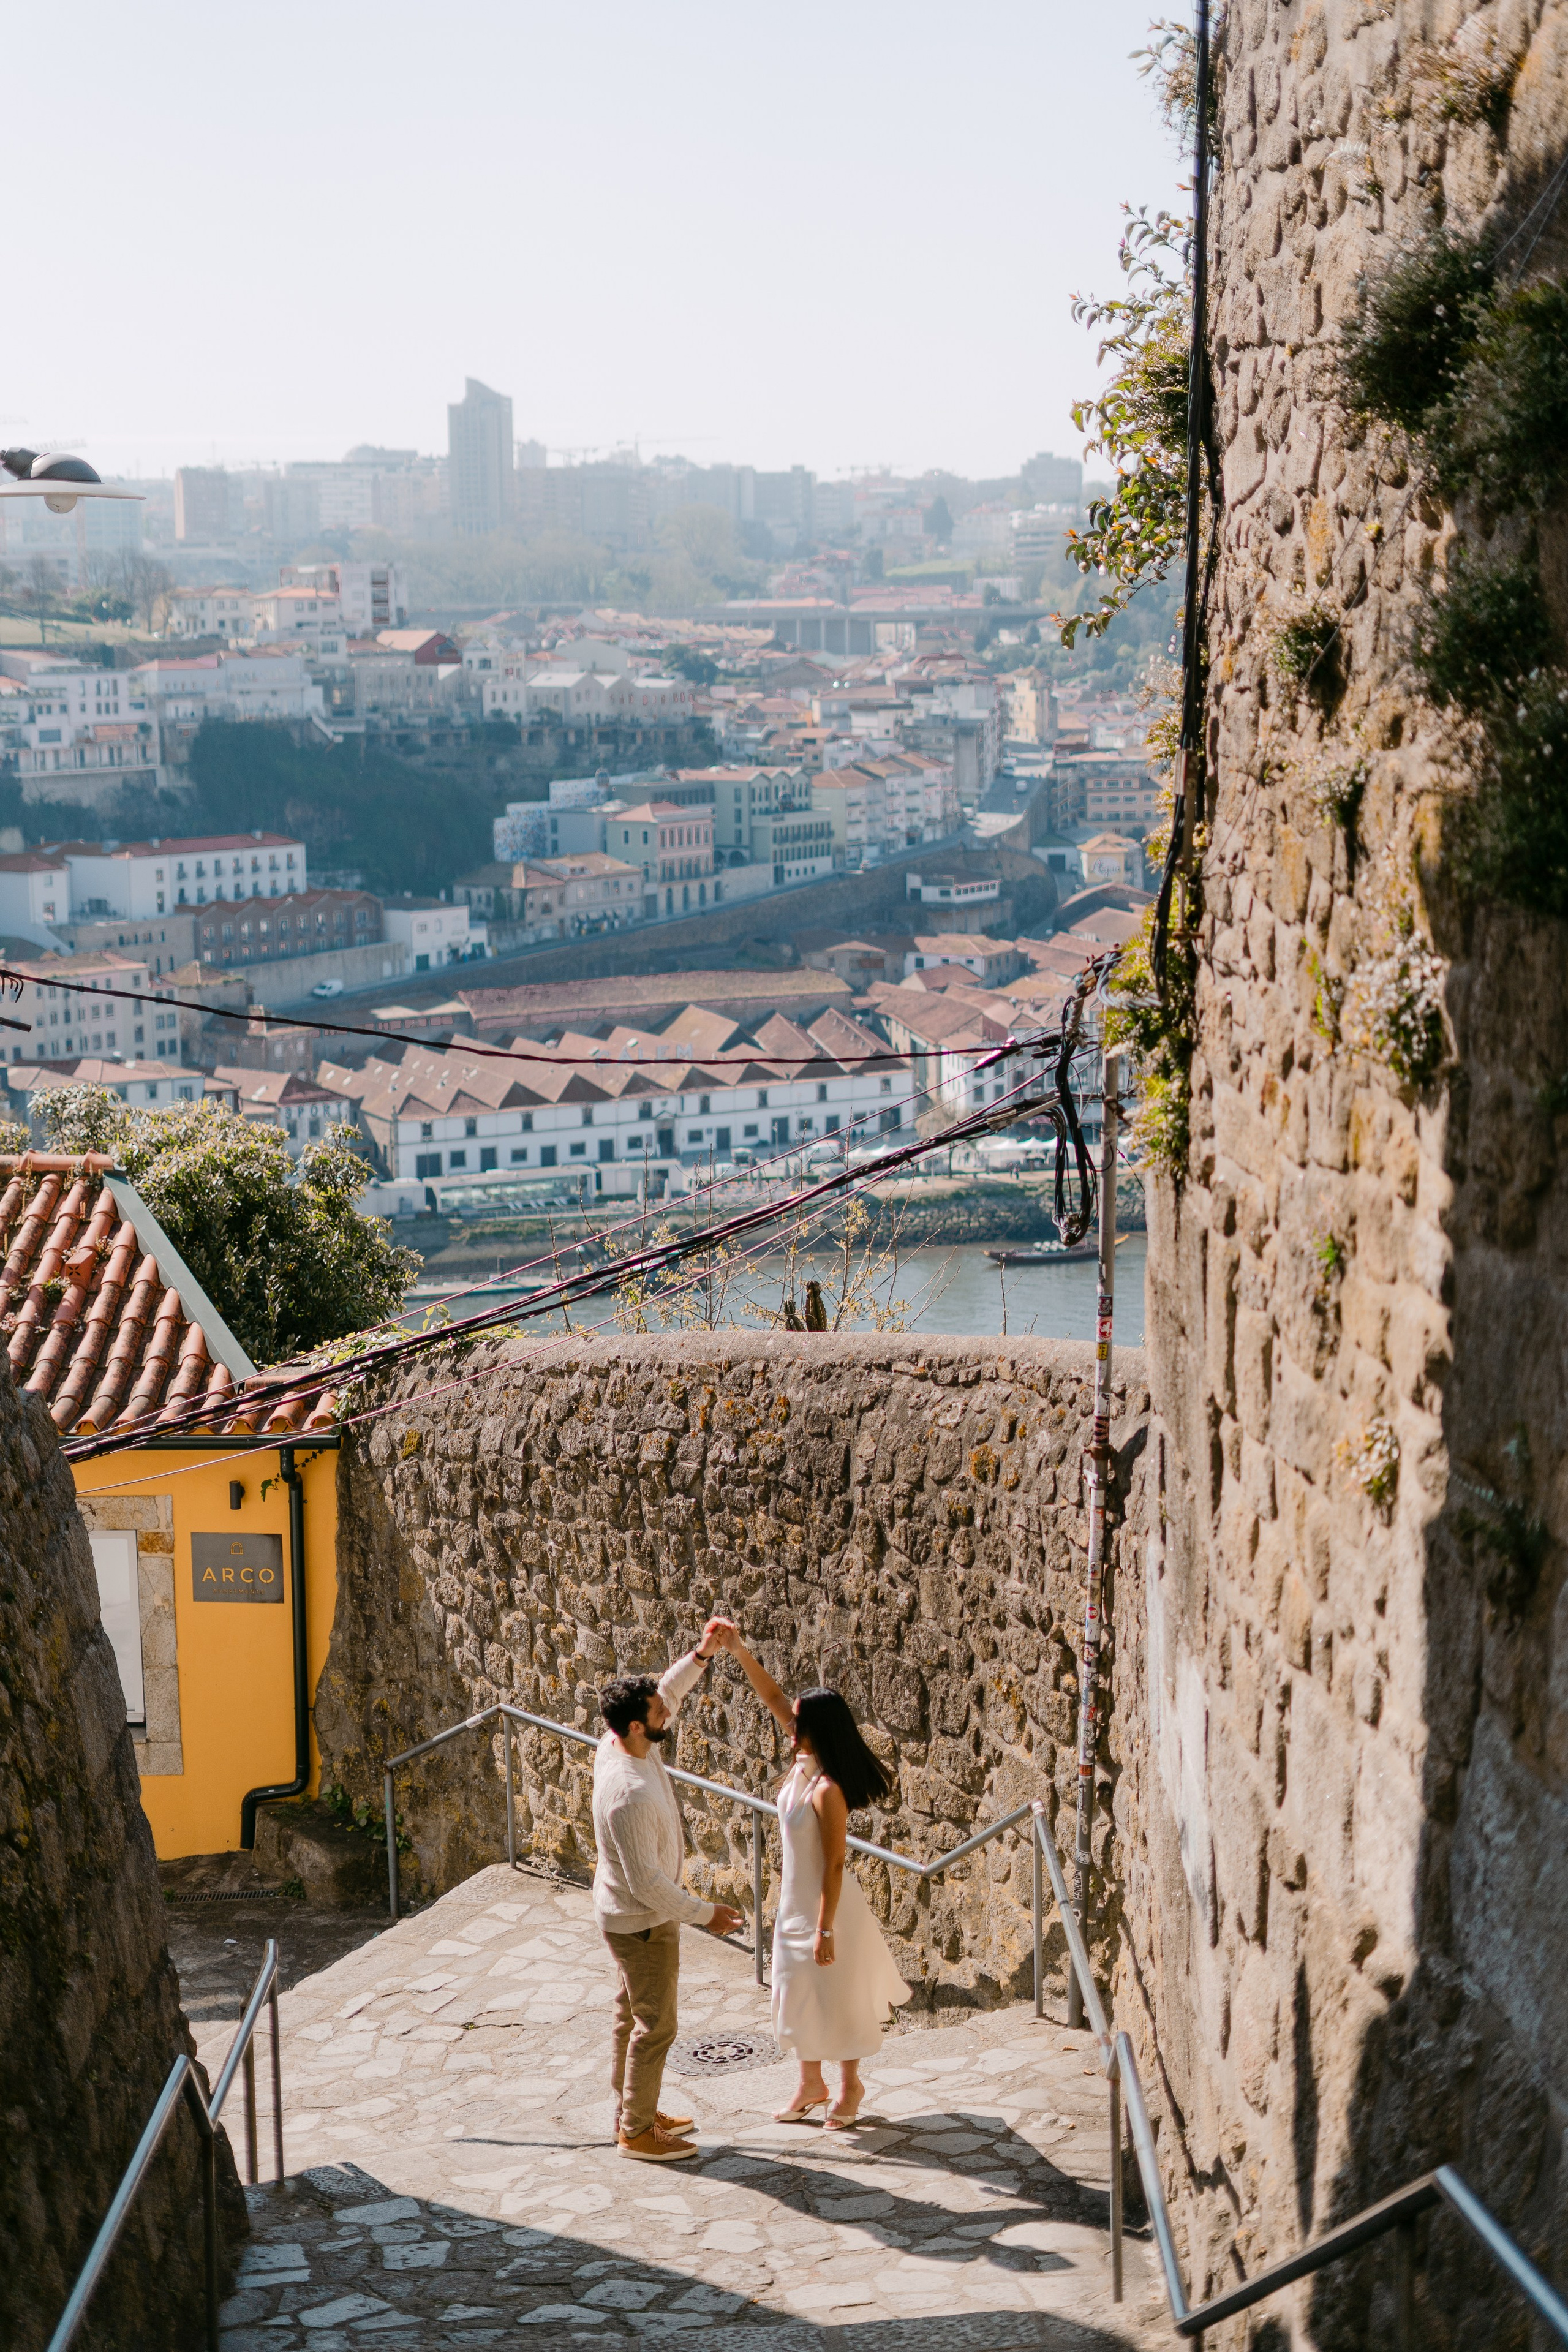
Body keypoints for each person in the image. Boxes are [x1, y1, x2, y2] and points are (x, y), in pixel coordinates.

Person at [701, 1618, 910, 2130]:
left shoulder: (827, 1790)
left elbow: (836, 1862)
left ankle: (850, 2085)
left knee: (836, 1997)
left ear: (818, 1729)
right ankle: (811, 2083)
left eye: (798, 1722)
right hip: (795, 1904)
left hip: (827, 1909)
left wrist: (826, 1929)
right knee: (796, 1993)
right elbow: (772, 1695)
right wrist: (738, 1649)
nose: (789, 1726)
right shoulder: (802, 1765)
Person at [594, 1633, 745, 2163]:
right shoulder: (629, 1794)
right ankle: (636, 2132)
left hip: (628, 1916)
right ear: (638, 1726)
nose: (668, 1712)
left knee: (630, 2016)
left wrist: (702, 1654)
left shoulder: (621, 1740)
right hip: (642, 1924)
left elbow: (670, 1691)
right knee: (657, 2026)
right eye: (658, 1711)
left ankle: (633, 2109)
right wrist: (706, 1915)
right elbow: (648, 1884)